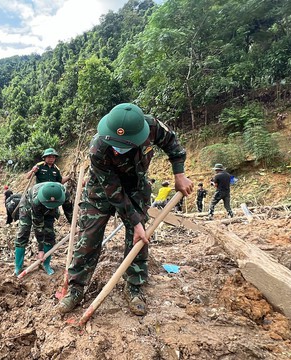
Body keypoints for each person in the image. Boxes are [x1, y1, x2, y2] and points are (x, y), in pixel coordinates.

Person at [56, 103, 194, 316]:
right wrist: (135, 220)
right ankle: (76, 288)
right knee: (88, 236)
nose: (117, 148)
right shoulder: (98, 148)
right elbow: (114, 192)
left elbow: (173, 144)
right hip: (101, 190)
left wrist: (179, 174)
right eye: (115, 143)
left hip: (136, 187)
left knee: (138, 239)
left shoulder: (152, 127)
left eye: (124, 144)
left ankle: (134, 286)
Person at [13, 182, 66, 276]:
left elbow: (69, 209)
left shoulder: (64, 193)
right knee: (23, 232)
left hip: (50, 211)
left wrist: (75, 223)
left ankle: (46, 265)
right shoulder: (35, 201)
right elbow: (38, 227)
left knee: (49, 235)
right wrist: (40, 249)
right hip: (28, 207)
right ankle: (18, 267)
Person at [26, 148, 73, 221]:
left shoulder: (56, 169)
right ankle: (37, 223)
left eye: (53, 157)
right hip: (41, 192)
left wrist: (69, 177)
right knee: (38, 209)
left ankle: (70, 220)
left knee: (60, 203)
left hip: (52, 192)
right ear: (44, 158)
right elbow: (28, 177)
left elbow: (60, 181)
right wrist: (32, 171)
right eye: (49, 157)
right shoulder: (39, 166)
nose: (51, 159)